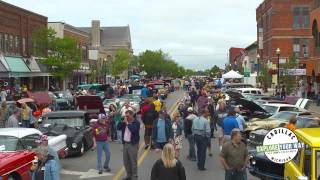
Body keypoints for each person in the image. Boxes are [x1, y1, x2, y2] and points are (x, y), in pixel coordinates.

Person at [117, 110, 140, 180]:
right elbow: (118, 127)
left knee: (133, 161)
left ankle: (134, 176)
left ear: (131, 115)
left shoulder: (136, 122)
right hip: (125, 144)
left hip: (132, 144)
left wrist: (127, 123)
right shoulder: (125, 122)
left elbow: (133, 130)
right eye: (125, 115)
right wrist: (122, 121)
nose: (126, 117)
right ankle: (129, 175)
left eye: (127, 116)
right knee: (126, 161)